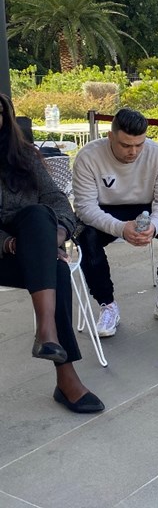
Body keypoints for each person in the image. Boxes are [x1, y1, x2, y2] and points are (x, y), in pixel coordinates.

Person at [0, 93, 103, 413]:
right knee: (54, 267)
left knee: (40, 216)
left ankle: (48, 336)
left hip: (37, 245)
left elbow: (58, 202)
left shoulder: (24, 157)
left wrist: (57, 235)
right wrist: (12, 244)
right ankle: (66, 377)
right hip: (6, 252)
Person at [72, 108, 158, 337]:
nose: (133, 151)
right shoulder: (88, 156)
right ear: (110, 136)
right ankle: (107, 305)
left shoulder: (157, 154)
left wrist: (153, 225)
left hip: (145, 209)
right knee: (85, 236)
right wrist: (120, 228)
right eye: (126, 145)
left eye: (139, 144)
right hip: (103, 209)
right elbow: (85, 208)